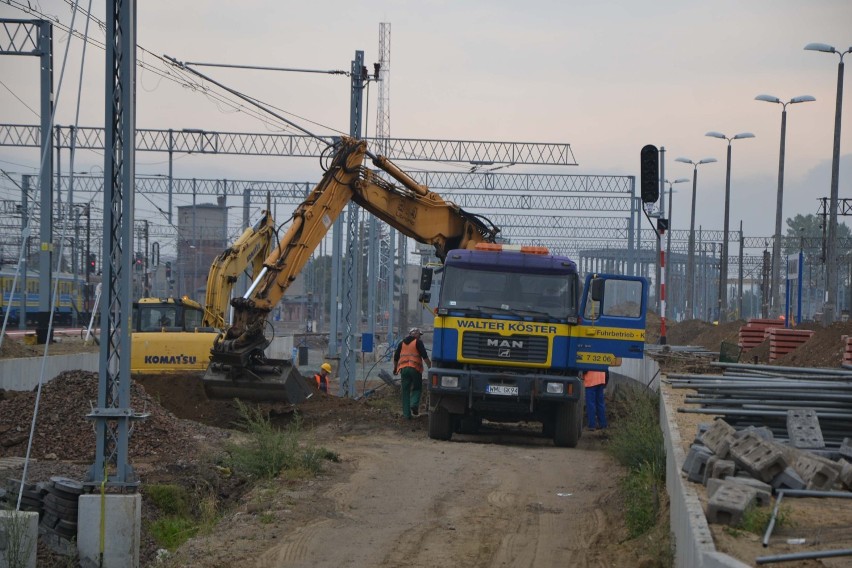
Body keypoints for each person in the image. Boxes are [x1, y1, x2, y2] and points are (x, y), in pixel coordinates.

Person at [393, 327, 432, 419]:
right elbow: (424, 356)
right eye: (419, 335)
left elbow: (395, 357)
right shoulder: (418, 342)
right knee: (417, 387)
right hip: (415, 368)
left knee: (405, 391)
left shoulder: (401, 343)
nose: (420, 337)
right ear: (416, 334)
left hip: (404, 369)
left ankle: (407, 415)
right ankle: (414, 404)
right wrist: (430, 367)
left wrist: (395, 369)